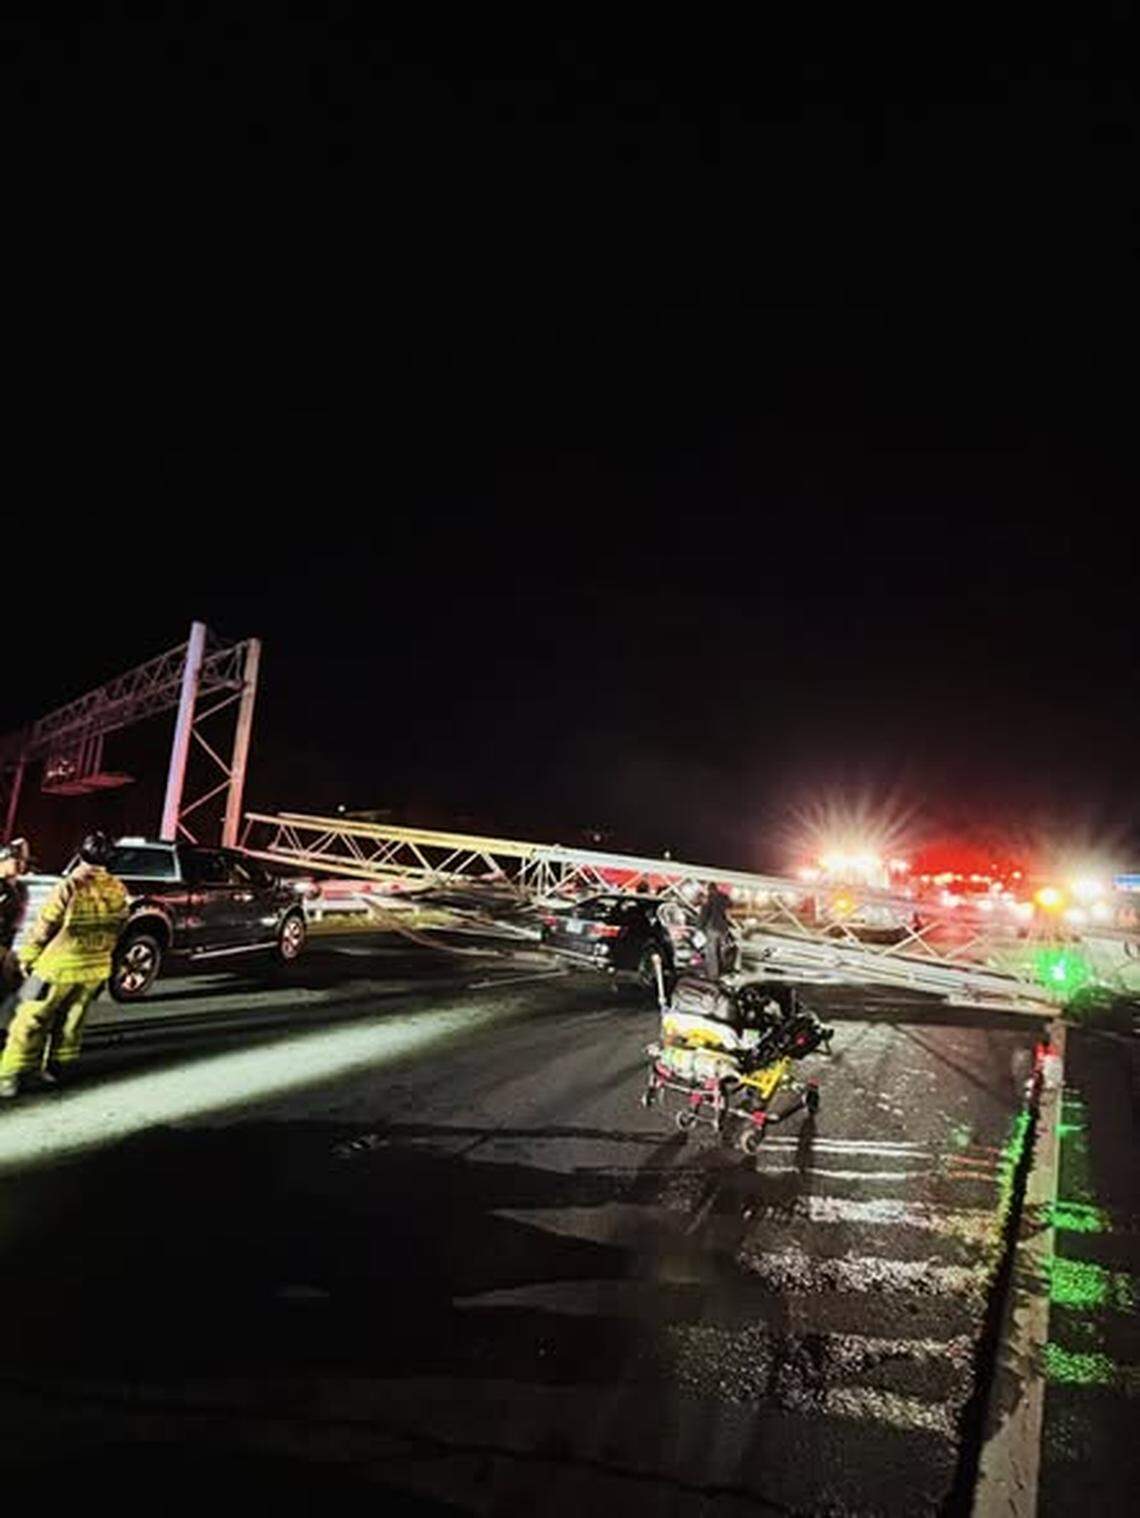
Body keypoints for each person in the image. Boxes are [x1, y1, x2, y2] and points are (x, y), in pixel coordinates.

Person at [0, 831, 128, 1098]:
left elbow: (45, 926)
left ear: (80, 854)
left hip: (54, 967)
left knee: (28, 1018)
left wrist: (26, 958)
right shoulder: (118, 888)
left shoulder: (70, 885)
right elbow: (119, 926)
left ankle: (9, 1076)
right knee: (72, 1019)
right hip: (94, 968)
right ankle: (54, 1069)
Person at [0, 839, 31, 997]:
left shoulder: (20, 888)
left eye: (24, 860)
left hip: (8, 946)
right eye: (17, 859)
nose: (21, 864)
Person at [698, 881, 733, 981]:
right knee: (721, 950)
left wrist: (700, 927)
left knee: (712, 952)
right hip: (723, 928)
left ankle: (713, 976)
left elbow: (704, 915)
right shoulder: (723, 897)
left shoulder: (708, 899)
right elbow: (730, 905)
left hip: (712, 928)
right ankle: (723, 971)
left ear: (709, 889)